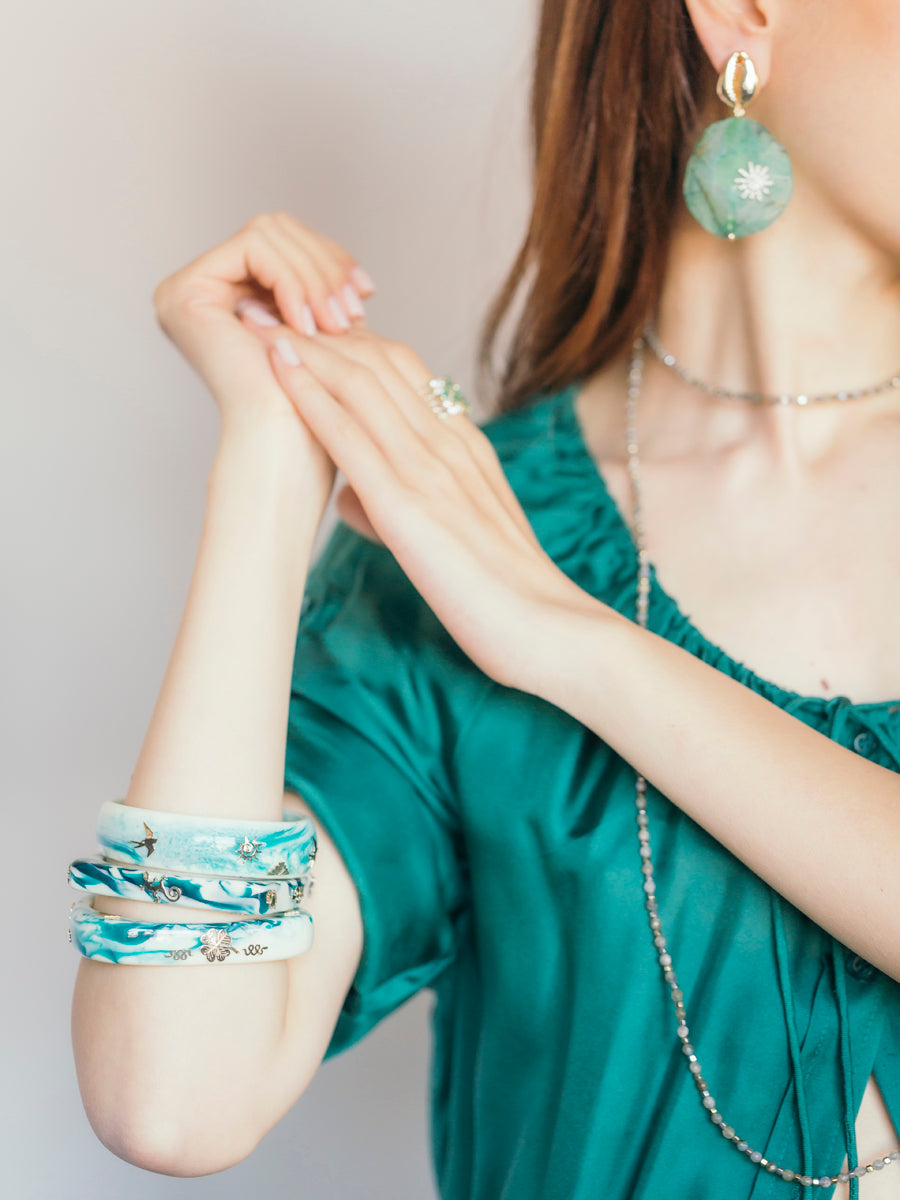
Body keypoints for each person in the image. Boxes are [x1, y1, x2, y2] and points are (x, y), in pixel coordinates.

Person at [69, 1, 900, 1197]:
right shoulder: (455, 543)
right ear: (742, 12)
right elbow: (170, 1096)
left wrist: (575, 645)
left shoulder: (501, 576)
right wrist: (269, 461)